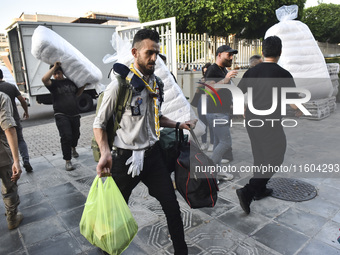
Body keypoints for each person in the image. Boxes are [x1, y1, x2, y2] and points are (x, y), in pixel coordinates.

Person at [93, 29, 194, 255]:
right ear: (134, 52)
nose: (154, 58)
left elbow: (155, 118)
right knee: (114, 215)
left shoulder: (156, 84)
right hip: (122, 161)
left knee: (172, 207)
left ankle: (182, 251)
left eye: (156, 53)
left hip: (152, 158)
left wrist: (179, 125)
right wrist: (105, 152)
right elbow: (99, 124)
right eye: (149, 53)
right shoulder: (119, 86)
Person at [236, 36, 301, 214]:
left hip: (251, 120)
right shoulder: (284, 74)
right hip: (270, 123)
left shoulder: (251, 72)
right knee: (276, 157)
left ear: (263, 51)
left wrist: (244, 108)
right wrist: (300, 109)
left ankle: (259, 190)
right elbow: (293, 102)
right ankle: (248, 191)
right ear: (280, 52)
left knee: (260, 155)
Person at [42, 62, 86, 171]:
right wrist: (55, 67)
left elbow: (77, 94)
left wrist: (84, 86)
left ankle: (73, 148)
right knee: (66, 136)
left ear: (63, 73)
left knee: (76, 134)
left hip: (74, 114)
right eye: (55, 74)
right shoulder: (52, 84)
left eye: (59, 73)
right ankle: (68, 160)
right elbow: (44, 79)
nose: (57, 75)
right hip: (61, 114)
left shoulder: (70, 82)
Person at [204, 45, 238, 181]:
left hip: (222, 111)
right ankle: (210, 171)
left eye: (232, 55)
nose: (231, 57)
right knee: (225, 143)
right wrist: (226, 79)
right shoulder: (212, 69)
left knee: (219, 143)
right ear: (219, 55)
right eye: (228, 54)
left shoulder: (223, 70)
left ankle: (217, 171)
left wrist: (230, 103)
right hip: (216, 113)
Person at [0, 69, 33, 172]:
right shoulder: (10, 86)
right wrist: (26, 111)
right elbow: (22, 100)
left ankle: (12, 165)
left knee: (6, 143)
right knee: (20, 140)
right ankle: (26, 161)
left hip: (2, 123)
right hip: (14, 119)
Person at [0, 92, 23, 230]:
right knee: (9, 186)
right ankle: (12, 218)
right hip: (2, 154)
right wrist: (16, 161)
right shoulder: (2, 97)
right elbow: (8, 127)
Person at [191, 63, 214, 151]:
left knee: (211, 123)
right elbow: (197, 92)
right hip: (202, 100)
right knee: (202, 122)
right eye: (204, 71)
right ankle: (204, 143)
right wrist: (199, 85)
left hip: (211, 101)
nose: (205, 73)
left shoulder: (213, 79)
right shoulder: (202, 79)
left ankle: (212, 143)